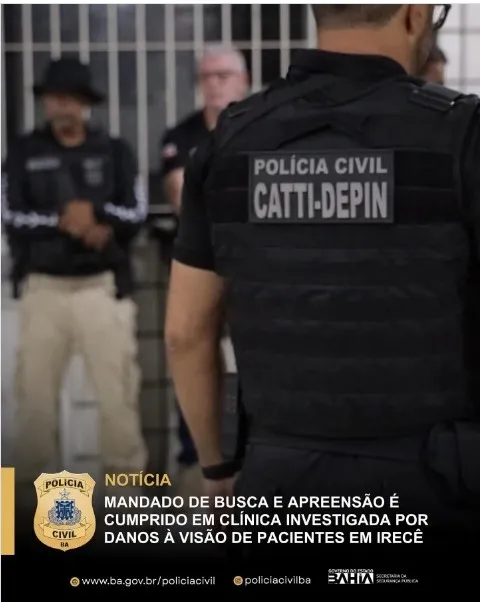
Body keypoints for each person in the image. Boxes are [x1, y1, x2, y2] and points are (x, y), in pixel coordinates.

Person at [165, 2, 480, 544]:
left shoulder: (230, 140)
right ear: (414, 15)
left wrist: (217, 469)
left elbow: (185, 333)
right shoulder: (464, 135)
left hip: (277, 479)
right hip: (436, 484)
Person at [2, 58, 148, 491]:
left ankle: (127, 511)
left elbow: (136, 212)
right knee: (33, 412)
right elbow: (10, 215)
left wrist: (99, 217)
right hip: (44, 291)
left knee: (119, 408)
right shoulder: (24, 152)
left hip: (102, 291)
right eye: (53, 98)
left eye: (69, 98)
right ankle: (26, 522)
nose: (60, 106)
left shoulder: (115, 151)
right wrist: (64, 221)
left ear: (85, 103)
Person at [160, 45, 248, 497]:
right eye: (207, 76)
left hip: (252, 273)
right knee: (193, 362)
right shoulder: (183, 134)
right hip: (199, 269)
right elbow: (181, 195)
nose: (214, 83)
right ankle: (197, 466)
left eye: (224, 75)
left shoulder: (261, 127)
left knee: (256, 366)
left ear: (244, 80)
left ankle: (246, 466)